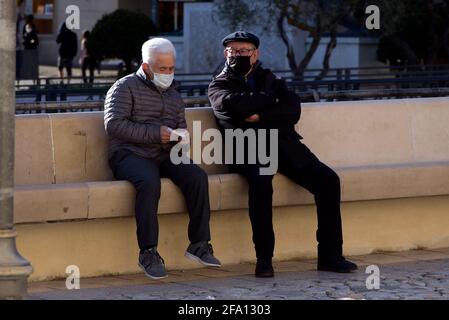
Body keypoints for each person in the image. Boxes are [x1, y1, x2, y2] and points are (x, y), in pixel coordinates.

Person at [208, 31, 358, 278]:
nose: (238, 56)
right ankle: (264, 260)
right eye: (234, 52)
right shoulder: (219, 84)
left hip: (283, 145)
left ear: (255, 54)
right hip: (247, 149)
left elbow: (293, 109)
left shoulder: (270, 79)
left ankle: (330, 256)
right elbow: (231, 106)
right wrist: (269, 100)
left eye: (244, 51)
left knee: (328, 181)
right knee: (261, 184)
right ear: (226, 54)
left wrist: (261, 115)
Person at [104, 38, 221, 280]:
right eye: (162, 69)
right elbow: (114, 125)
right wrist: (157, 134)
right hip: (128, 154)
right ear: (146, 67)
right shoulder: (123, 87)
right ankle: (148, 252)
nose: (168, 74)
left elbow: (180, 127)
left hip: (164, 154)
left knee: (197, 176)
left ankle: (199, 243)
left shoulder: (174, 96)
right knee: (149, 182)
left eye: (171, 69)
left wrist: (181, 138)